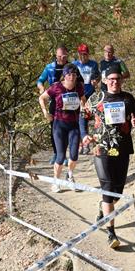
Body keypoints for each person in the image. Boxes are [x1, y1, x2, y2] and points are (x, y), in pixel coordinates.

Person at [83, 65, 135, 249]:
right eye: (111, 79)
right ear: (105, 81)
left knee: (116, 194)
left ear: (122, 80)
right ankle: (111, 233)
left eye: (118, 79)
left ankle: (103, 206)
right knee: (107, 189)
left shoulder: (128, 98)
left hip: (122, 149)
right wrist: (84, 134)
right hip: (102, 149)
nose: (115, 82)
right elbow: (83, 117)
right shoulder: (96, 98)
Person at [39, 63, 88, 192]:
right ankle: (56, 181)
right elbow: (42, 98)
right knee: (60, 157)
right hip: (59, 125)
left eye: (74, 75)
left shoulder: (79, 87)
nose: (71, 77)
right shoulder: (56, 87)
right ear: (64, 76)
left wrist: (83, 107)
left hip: (74, 125)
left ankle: (70, 176)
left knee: (74, 155)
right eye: (69, 75)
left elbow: (83, 99)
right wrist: (45, 112)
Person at [37, 45, 69, 165]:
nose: (62, 58)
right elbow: (40, 80)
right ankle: (56, 153)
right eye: (60, 56)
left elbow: (80, 81)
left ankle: (63, 155)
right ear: (56, 56)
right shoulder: (49, 67)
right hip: (53, 100)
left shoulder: (71, 67)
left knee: (65, 128)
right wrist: (41, 88)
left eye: (64, 56)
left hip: (67, 101)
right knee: (54, 128)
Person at [73, 44, 101, 155]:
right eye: (81, 54)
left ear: (88, 54)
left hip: (90, 95)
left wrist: (96, 81)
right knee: (80, 119)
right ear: (78, 54)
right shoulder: (74, 64)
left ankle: (90, 143)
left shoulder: (93, 64)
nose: (83, 56)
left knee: (89, 118)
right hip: (77, 95)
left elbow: (98, 76)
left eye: (85, 54)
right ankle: (82, 144)